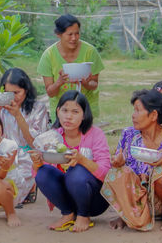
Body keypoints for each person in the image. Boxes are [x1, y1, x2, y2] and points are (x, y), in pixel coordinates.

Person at [102, 89, 162, 231]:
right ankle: (127, 215)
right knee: (119, 172)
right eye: (134, 110)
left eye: (138, 111)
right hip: (137, 199)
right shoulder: (128, 134)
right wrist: (118, 163)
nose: (133, 116)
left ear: (153, 115)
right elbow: (120, 170)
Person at [29, 90, 110, 232]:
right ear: (58, 111)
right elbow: (43, 174)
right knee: (42, 173)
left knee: (76, 170)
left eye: (75, 112)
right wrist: (37, 164)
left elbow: (106, 173)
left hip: (95, 200)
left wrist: (82, 160)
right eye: (65, 110)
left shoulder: (95, 134)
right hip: (67, 198)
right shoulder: (52, 137)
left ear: (84, 115)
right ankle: (68, 214)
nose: (68, 116)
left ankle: (83, 215)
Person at [0, 68, 49, 204]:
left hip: (28, 157)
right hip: (5, 156)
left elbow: (35, 144)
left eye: (16, 93)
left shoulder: (39, 109)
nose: (12, 97)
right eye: (7, 93)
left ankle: (29, 188)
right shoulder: (2, 110)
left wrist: (18, 115)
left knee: (11, 191)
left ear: (26, 90)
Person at [37, 14, 104, 121]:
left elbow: (94, 84)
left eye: (77, 34)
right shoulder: (48, 55)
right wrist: (59, 82)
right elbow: (50, 92)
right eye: (70, 34)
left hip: (86, 108)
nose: (74, 38)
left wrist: (86, 83)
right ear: (59, 34)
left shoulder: (90, 52)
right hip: (62, 111)